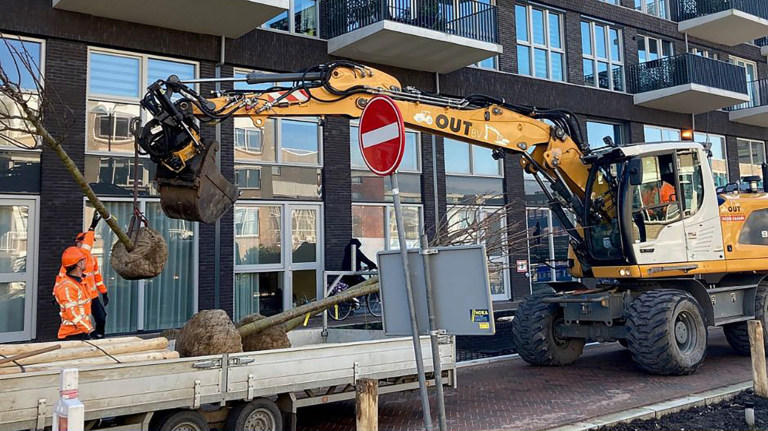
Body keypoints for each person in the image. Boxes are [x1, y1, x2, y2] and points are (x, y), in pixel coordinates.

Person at [55, 212, 109, 338]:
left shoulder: (90, 258)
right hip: (79, 300)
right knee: (78, 316)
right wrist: (55, 293)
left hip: (90, 294)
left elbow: (97, 278)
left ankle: (99, 336)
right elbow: (60, 279)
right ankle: (93, 334)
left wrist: (104, 292)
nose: (90, 245)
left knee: (101, 318)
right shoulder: (73, 259)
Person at [54, 247, 94, 340]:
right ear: (79, 264)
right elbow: (73, 313)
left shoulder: (81, 282)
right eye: (84, 260)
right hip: (71, 335)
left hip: (81, 332)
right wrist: (90, 330)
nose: (86, 262)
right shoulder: (67, 287)